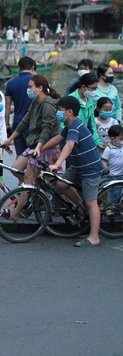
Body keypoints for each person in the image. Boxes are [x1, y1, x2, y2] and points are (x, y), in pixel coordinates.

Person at [41, 96, 104, 248]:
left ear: (69, 112)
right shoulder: (69, 126)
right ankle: (81, 207)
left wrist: (57, 163)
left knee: (92, 203)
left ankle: (94, 237)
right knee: (61, 185)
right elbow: (58, 138)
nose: (57, 113)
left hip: (89, 169)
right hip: (77, 168)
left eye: (60, 111)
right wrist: (39, 148)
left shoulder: (75, 126)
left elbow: (69, 145)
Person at [4, 56, 36, 155]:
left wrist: (7, 124)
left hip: (17, 123)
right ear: (33, 68)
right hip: (33, 123)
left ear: (18, 67)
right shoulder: (37, 82)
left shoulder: (10, 83)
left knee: (20, 155)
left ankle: (19, 170)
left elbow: (7, 105)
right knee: (33, 155)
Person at [69, 73, 102, 149]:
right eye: (93, 88)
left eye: (96, 88)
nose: (94, 91)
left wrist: (97, 142)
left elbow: (92, 124)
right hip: (73, 140)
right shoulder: (71, 100)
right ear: (83, 87)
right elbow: (64, 124)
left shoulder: (89, 101)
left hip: (85, 139)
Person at [102, 125, 123, 203]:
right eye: (120, 139)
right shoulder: (108, 149)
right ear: (112, 139)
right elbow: (104, 161)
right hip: (114, 176)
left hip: (122, 173)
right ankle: (113, 207)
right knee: (115, 194)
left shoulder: (122, 147)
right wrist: (107, 171)